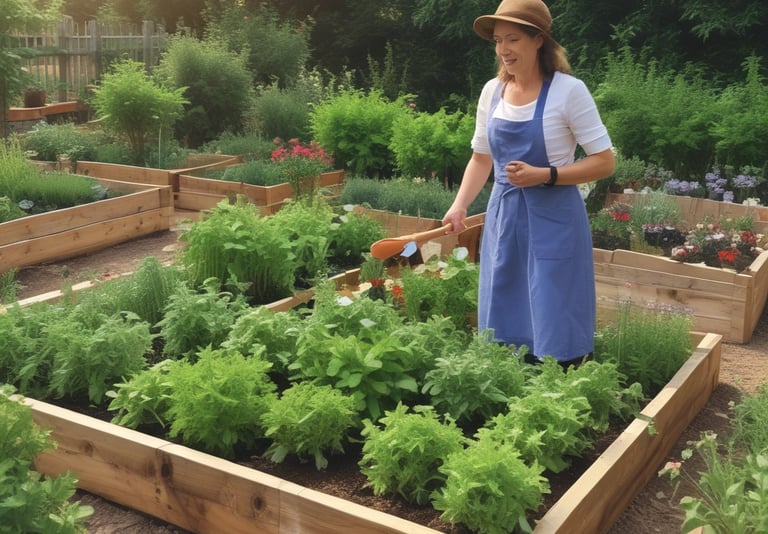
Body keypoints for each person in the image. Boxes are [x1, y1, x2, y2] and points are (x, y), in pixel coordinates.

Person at [441, 0, 615, 366]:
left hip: (555, 219)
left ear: (538, 40)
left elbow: (604, 161)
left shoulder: (569, 91)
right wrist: (459, 205)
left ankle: (560, 384)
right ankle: (507, 386)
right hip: (505, 217)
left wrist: (546, 175)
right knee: (505, 297)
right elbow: (481, 157)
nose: (504, 50)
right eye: (498, 41)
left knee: (554, 302)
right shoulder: (492, 92)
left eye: (514, 39)